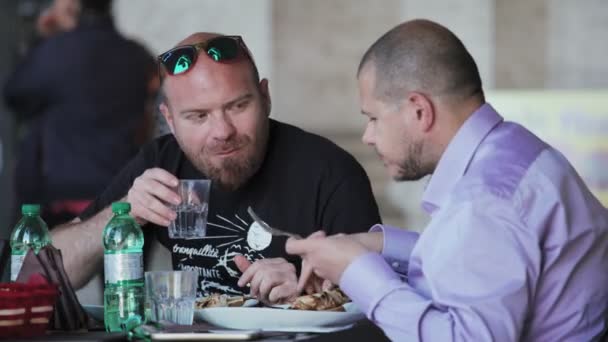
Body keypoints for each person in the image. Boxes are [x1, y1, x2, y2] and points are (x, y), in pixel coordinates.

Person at [287, 19, 608, 341]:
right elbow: (486, 258)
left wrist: (357, 272)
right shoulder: (514, 148)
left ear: (419, 111)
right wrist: (376, 248)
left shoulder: (485, 200)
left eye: (373, 118)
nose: (367, 136)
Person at [50, 32, 381, 304]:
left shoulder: (329, 172)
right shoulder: (161, 161)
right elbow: (43, 273)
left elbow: (378, 303)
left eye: (238, 106)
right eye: (198, 116)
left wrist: (306, 291)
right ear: (170, 120)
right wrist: (121, 216)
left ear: (265, 97)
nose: (222, 131)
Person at [3, 0, 158, 227]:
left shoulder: (56, 50)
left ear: (70, 7)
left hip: (62, 195)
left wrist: (44, 39)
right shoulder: (137, 54)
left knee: (48, 260)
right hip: (123, 188)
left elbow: (15, 93)